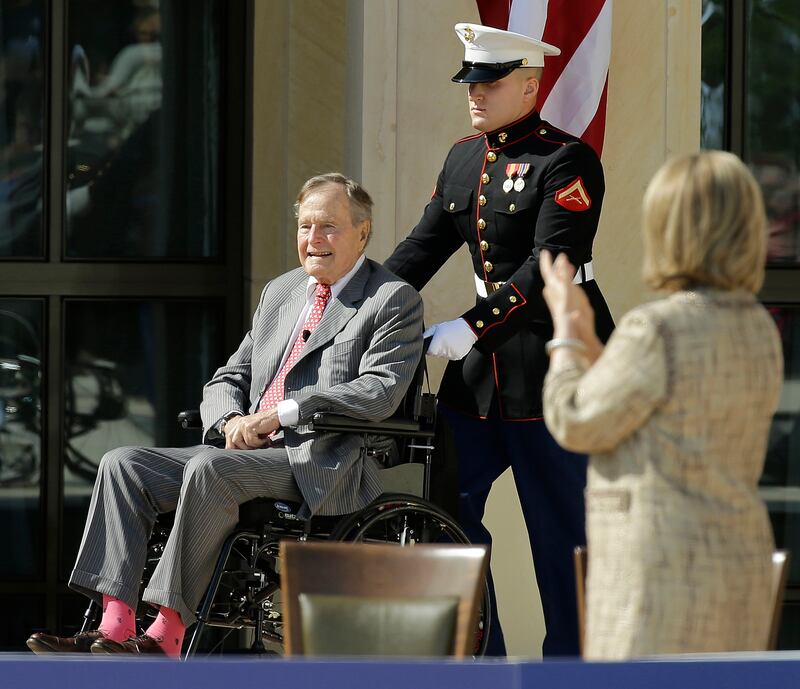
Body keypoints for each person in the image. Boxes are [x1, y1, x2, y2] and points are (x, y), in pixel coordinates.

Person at [26, 173, 424, 657]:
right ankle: (113, 625)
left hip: (319, 459)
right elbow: (228, 376)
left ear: (363, 232)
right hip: (244, 452)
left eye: (328, 227)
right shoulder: (282, 292)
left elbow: (379, 390)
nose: (313, 240)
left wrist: (282, 414)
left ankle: (166, 634)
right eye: (305, 227)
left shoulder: (390, 299)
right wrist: (230, 420)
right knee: (122, 463)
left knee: (208, 468)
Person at [384, 23, 613, 656]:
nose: (475, 94)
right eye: (471, 82)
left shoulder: (566, 160)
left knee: (562, 532)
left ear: (531, 86)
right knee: (446, 516)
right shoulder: (464, 157)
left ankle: (570, 670)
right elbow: (420, 249)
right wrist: (352, 304)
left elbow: (550, 265)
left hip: (554, 360)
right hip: (481, 375)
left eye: (490, 82)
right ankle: (484, 659)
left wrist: (468, 326)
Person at [541, 151, 782, 659]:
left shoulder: (657, 328)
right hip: (739, 562)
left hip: (659, 575)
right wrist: (590, 340)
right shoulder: (759, 327)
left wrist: (563, 336)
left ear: (668, 229)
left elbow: (574, 420)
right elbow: (651, 406)